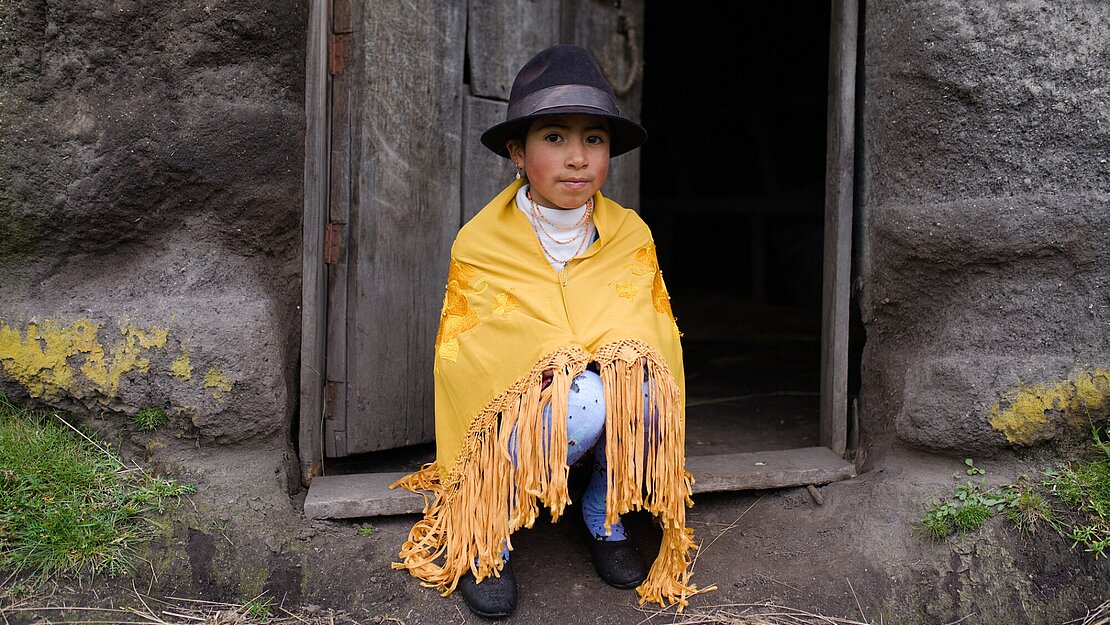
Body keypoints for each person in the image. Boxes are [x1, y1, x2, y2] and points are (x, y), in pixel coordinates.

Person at [391, 43, 707, 619]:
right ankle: (488, 530)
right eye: (555, 138)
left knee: (644, 385)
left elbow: (651, 334)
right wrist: (564, 368)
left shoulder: (629, 235)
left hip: (602, 413)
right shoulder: (482, 244)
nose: (578, 158)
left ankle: (602, 513)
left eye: (594, 139)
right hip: (525, 422)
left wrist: (607, 364)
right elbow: (474, 360)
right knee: (581, 400)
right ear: (517, 150)